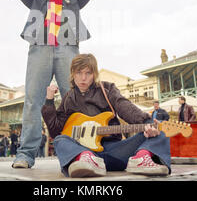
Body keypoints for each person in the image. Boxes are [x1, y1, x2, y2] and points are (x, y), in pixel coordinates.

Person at [12, 0, 96, 169]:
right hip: (40, 48)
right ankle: (25, 155)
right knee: (33, 100)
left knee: (74, 98)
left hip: (67, 48)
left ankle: (77, 152)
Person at [41, 54, 171, 178]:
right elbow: (55, 130)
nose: (83, 78)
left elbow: (123, 106)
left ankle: (141, 158)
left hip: (114, 151)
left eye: (88, 73)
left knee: (160, 129)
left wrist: (147, 121)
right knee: (59, 140)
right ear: (73, 74)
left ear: (94, 74)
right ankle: (85, 159)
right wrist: (49, 100)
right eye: (79, 73)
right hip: (84, 153)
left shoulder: (107, 88)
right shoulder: (68, 98)